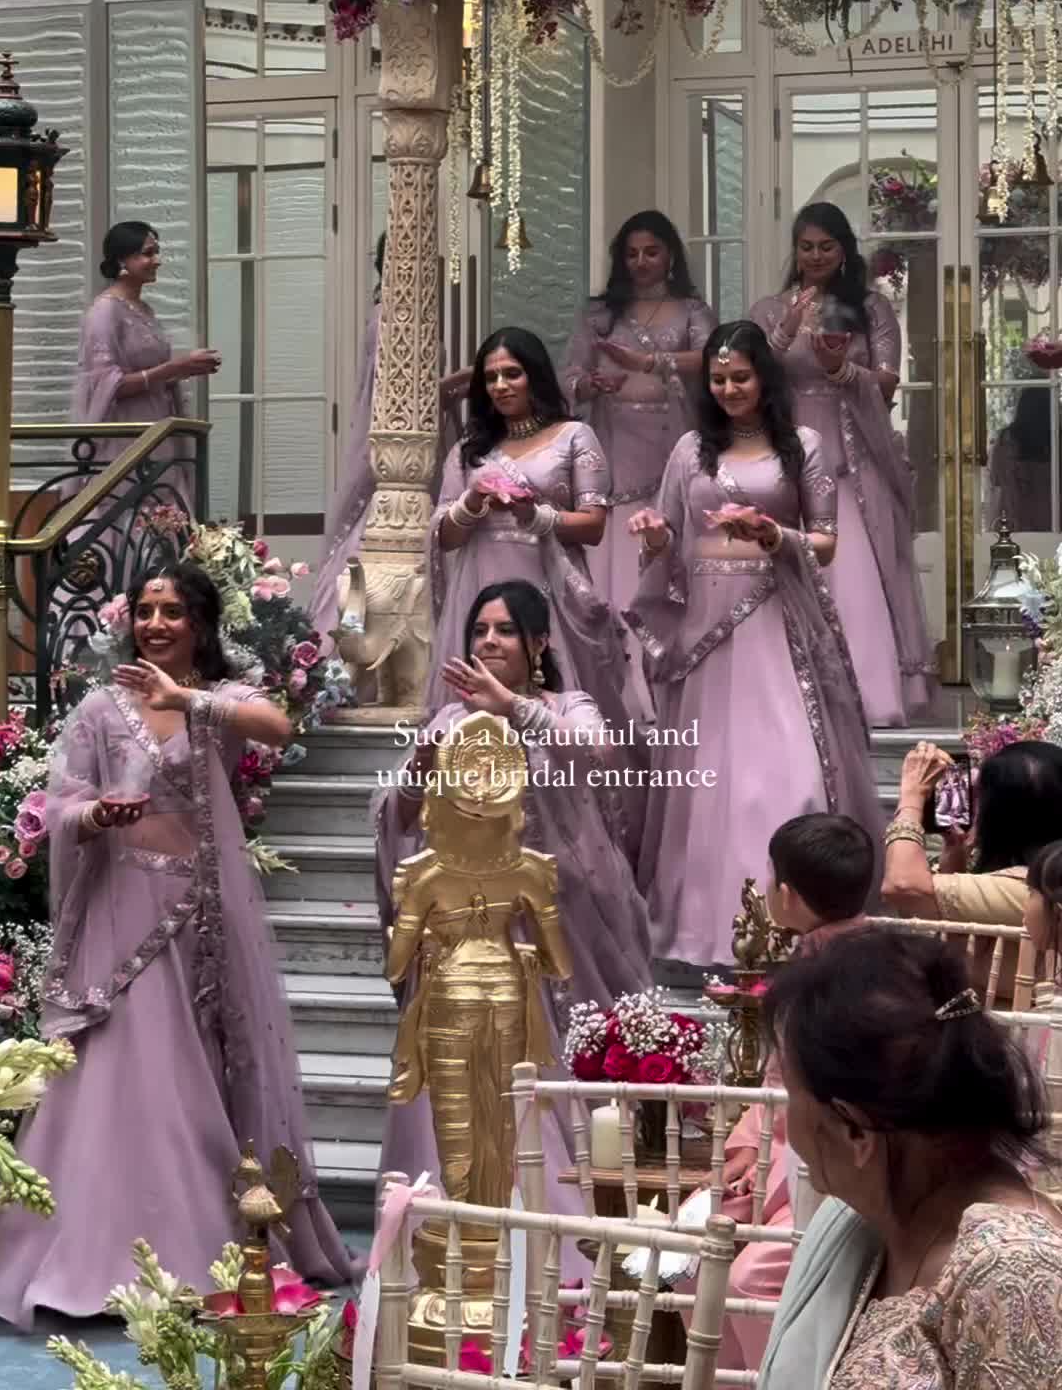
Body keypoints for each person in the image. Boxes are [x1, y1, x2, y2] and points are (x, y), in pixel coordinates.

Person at [0, 562, 355, 1326]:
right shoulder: (97, 708)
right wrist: (94, 818)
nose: (155, 624)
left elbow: (278, 726)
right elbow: (61, 801)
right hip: (119, 906)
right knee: (119, 1065)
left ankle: (195, 1246)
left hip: (194, 913)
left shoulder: (218, 700)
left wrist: (186, 700)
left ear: (201, 625)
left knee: (189, 1067)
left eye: (173, 612)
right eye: (146, 610)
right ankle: (89, 1252)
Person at [375, 579, 653, 1198]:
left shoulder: (566, 704)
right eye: (480, 631)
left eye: (504, 630)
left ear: (539, 642)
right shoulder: (450, 716)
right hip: (461, 926)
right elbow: (396, 812)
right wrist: (423, 764)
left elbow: (602, 755)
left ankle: (554, 1205)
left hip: (556, 913)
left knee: (545, 1055)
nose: (490, 641)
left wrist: (514, 709)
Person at [626, 319, 882, 967]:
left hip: (778, 618)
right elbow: (673, 543)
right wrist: (654, 538)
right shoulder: (689, 451)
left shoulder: (804, 445)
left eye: (740, 376)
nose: (729, 388)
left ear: (764, 376)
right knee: (710, 778)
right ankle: (710, 929)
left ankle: (798, 922)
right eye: (717, 378)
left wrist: (771, 535)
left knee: (787, 767)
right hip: (706, 631)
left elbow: (825, 542)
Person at [754, 926, 1062, 1388]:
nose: (789, 1123)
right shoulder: (872, 1224)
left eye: (791, 1096)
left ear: (854, 1129)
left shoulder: (1014, 1270)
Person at [428, 328, 644, 856]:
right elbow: (442, 534)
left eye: (513, 373)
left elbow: (593, 525)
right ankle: (472, 840)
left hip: (552, 592)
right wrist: (473, 504)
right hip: (481, 584)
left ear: (535, 376)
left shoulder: (574, 436)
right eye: (492, 377)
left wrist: (535, 513)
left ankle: (584, 848)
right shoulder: (468, 451)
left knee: (556, 700)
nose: (502, 385)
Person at [751, 201, 932, 726]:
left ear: (844, 250)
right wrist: (785, 328)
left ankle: (866, 694)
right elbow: (750, 372)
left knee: (850, 572)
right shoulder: (771, 307)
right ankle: (792, 695)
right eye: (806, 247)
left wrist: (839, 369)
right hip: (786, 452)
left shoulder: (869, 308)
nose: (814, 256)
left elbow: (887, 382)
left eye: (825, 247)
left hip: (852, 452)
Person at [715, 814, 875, 1377]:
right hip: (792, 1148)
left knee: (744, 1276)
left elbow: (796, 1096)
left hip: (838, 1161)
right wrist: (747, 1148)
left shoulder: (839, 972)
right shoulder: (829, 957)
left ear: (785, 893)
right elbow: (776, 1092)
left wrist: (762, 1156)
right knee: (690, 1245)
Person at [562, 212, 715, 719]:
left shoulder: (692, 310)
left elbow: (715, 359)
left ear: (670, 253)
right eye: (632, 253)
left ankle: (668, 678)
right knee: (616, 553)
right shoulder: (602, 315)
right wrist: (591, 385)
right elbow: (568, 373)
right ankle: (614, 688)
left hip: (672, 436)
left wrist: (650, 364)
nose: (642, 262)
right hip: (614, 439)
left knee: (662, 536)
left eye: (652, 251)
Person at [309, 232, 469, 655]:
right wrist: (455, 382)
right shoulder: (390, 317)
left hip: (425, 436)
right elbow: (397, 395)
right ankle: (354, 644)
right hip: (401, 441)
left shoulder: (410, 313)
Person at [882, 737, 1062, 1004]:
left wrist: (911, 799)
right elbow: (948, 916)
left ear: (1000, 815)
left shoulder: (1033, 887)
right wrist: (955, 852)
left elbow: (903, 887)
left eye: (982, 798)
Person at [73, 219, 220, 513]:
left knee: (164, 514)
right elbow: (107, 384)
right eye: (148, 253)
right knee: (129, 517)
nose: (157, 261)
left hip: (157, 432)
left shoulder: (144, 309)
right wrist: (174, 367)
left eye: (157, 251)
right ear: (121, 260)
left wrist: (184, 369)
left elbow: (153, 375)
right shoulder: (105, 311)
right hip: (125, 438)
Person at [988, 388, 1054, 533]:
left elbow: (997, 480)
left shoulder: (1006, 442)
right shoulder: (1055, 442)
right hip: (1052, 522)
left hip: (1014, 522)